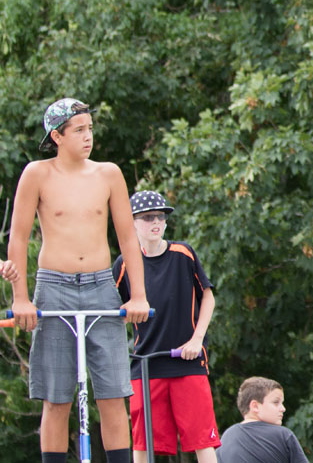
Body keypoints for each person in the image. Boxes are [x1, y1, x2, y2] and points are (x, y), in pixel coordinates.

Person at [7, 97, 150, 463]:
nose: (88, 137)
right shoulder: (37, 174)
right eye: (80, 130)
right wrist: (20, 298)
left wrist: (138, 295)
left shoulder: (108, 173)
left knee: (114, 394)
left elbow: (127, 238)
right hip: (54, 287)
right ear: (57, 135)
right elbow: (19, 239)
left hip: (101, 287)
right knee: (56, 398)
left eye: (90, 129)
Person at [113, 190, 221, 462]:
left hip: (187, 360)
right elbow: (115, 313)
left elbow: (208, 296)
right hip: (146, 363)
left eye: (161, 216)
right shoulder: (124, 264)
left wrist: (197, 340)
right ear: (132, 222)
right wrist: (126, 313)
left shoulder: (183, 253)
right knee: (143, 443)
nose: (156, 222)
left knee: (202, 440)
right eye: (148, 217)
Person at [217, 377, 308, 463]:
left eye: (282, 403)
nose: (283, 408)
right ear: (255, 406)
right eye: (276, 402)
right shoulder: (283, 435)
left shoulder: (227, 437)